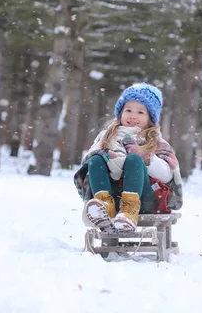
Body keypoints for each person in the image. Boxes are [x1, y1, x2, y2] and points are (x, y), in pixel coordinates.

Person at [73, 83, 183, 232]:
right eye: (128, 110)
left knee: (134, 160)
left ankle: (129, 209)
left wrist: (148, 159)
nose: (132, 116)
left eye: (140, 112)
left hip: (145, 200)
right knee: (96, 159)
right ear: (120, 113)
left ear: (151, 119)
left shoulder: (155, 142)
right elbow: (88, 166)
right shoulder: (106, 137)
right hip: (114, 196)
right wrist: (107, 157)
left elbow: (167, 174)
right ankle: (104, 205)